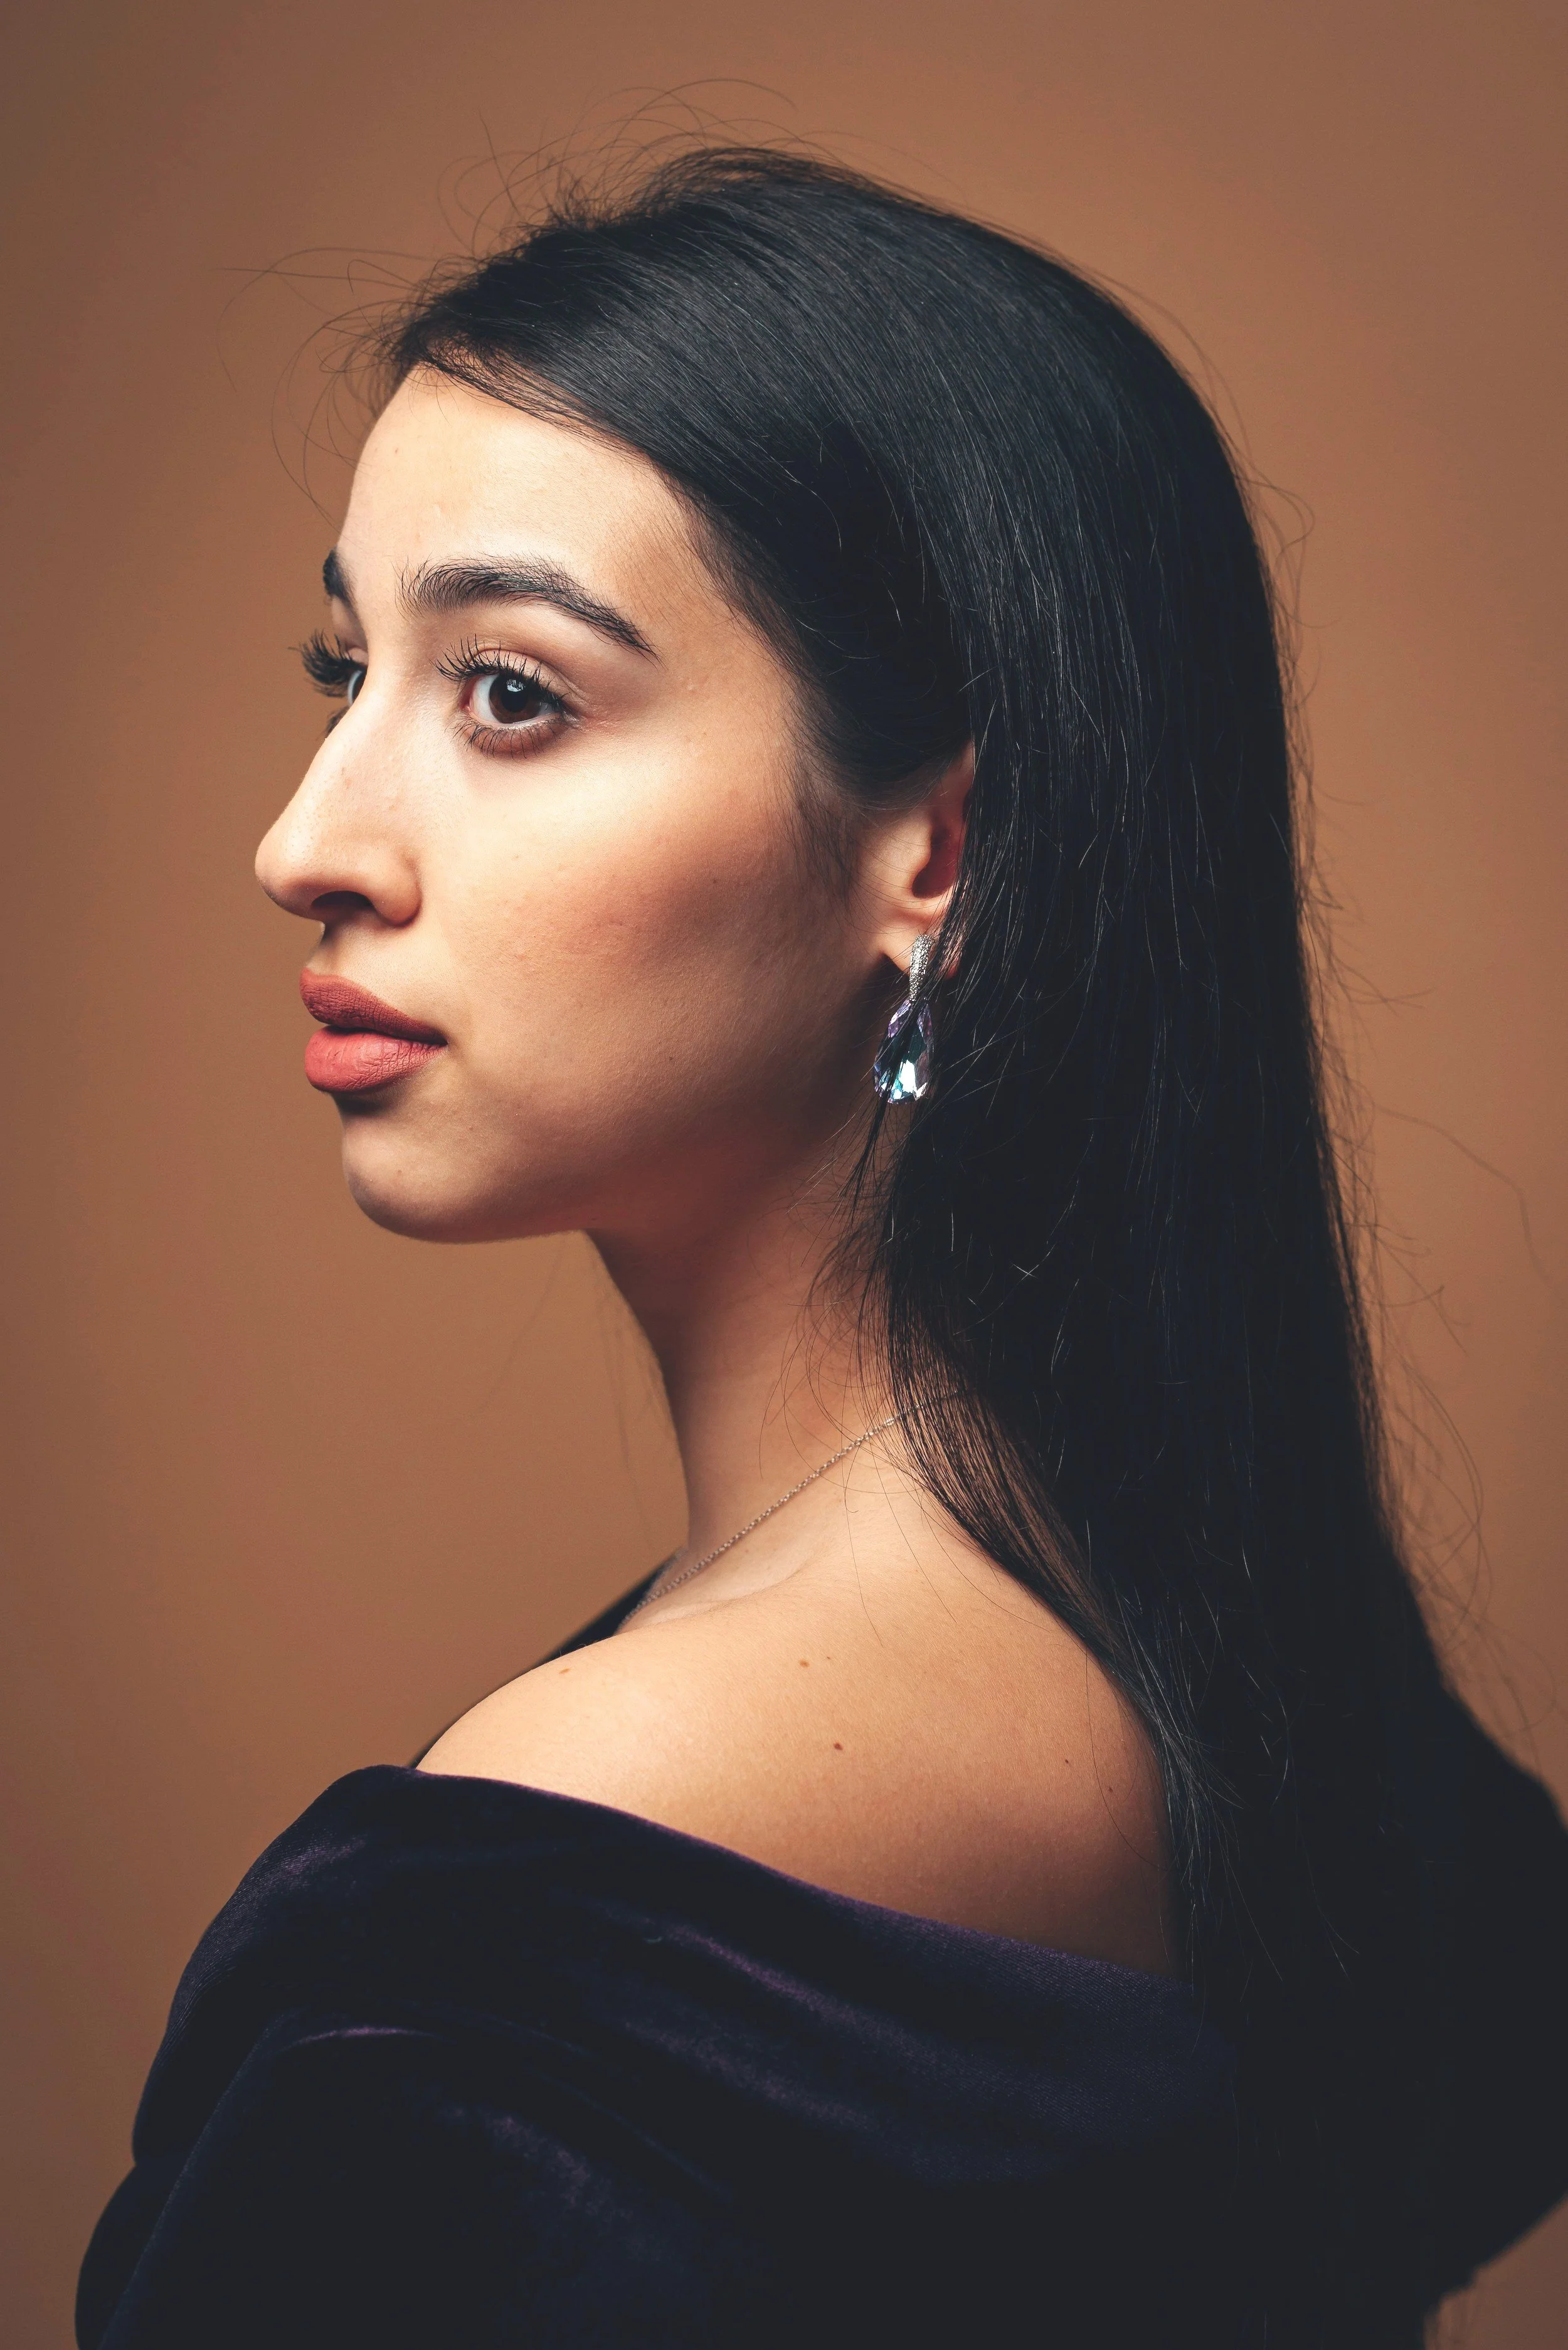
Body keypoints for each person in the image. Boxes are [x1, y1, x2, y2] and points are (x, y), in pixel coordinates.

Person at [77, 149, 1567, 2348]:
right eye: (343, 665)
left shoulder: (559, 1886)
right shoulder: (1238, 1684)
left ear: (936, 851)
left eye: (510, 696)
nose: (307, 842)